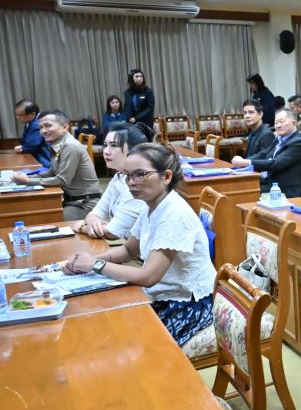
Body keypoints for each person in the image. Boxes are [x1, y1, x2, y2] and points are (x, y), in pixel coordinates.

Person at [62, 143, 216, 348]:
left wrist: (95, 265)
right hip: (163, 294)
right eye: (127, 175)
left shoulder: (174, 214)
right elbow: (128, 250)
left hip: (187, 303)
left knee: (121, 342)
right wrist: (89, 261)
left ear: (166, 176)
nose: (131, 183)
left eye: (140, 174)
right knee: (99, 321)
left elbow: (148, 277)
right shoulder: (151, 206)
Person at [12, 110, 101, 221]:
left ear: (65, 127)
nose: (43, 131)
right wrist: (26, 177)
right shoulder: (58, 144)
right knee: (33, 210)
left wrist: (27, 181)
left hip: (84, 203)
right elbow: (51, 172)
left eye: (48, 126)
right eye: (41, 127)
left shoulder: (70, 146)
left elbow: (62, 180)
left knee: (43, 220)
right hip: (69, 199)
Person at [73, 123, 148, 240]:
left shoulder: (139, 183)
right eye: (105, 145)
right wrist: (94, 221)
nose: (106, 151)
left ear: (134, 150)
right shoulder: (120, 176)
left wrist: (82, 227)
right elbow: (94, 214)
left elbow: (113, 233)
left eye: (114, 145)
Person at [237, 109, 301, 198]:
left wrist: (247, 163)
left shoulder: (298, 142)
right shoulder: (279, 138)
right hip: (271, 183)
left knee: (243, 192)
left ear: (294, 123)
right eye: (276, 122)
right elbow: (264, 154)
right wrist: (244, 161)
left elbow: (276, 164)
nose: (278, 125)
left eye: (281, 122)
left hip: (286, 190)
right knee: (240, 184)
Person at [230, 99, 276, 164]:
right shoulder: (252, 132)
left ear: (260, 114)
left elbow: (264, 158)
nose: (247, 116)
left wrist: (243, 161)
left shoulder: (267, 134)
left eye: (251, 112)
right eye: (245, 113)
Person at [13, 99, 51, 168]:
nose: (18, 117)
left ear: (33, 113)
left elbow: (33, 144)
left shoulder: (37, 124)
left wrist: (23, 148)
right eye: (17, 115)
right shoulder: (31, 121)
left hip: (43, 159)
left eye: (21, 115)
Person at [123, 69, 156, 133]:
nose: (139, 78)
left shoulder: (148, 91)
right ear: (131, 78)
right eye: (137, 76)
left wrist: (136, 118)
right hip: (131, 123)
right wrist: (128, 118)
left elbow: (150, 108)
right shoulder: (127, 92)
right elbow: (127, 107)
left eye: (141, 76)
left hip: (145, 122)